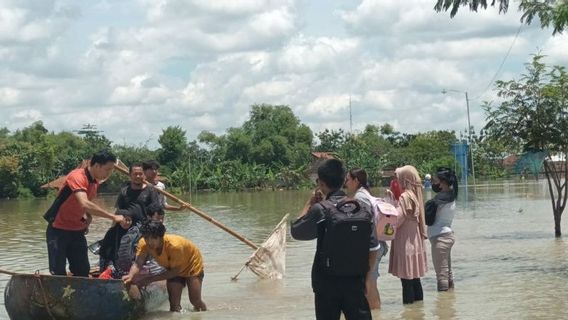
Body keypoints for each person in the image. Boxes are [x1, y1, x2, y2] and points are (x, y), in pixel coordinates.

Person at [291, 159, 379, 320]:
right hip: (355, 281)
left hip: (326, 284)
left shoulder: (320, 209)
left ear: (321, 183)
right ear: (344, 180)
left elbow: (296, 231)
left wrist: (308, 204)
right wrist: (367, 280)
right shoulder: (363, 208)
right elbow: (374, 248)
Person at [44, 149, 125, 277]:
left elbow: (85, 206)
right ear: (97, 165)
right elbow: (84, 203)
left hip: (77, 230)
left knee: (82, 271)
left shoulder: (95, 183)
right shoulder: (77, 176)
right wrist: (113, 216)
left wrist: (89, 217)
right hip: (58, 229)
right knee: (57, 271)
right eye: (108, 169)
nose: (109, 174)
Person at [123, 220, 207, 312]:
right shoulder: (144, 243)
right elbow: (138, 263)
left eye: (154, 238)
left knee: (195, 301)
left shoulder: (175, 246)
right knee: (174, 306)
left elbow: (175, 272)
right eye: (147, 238)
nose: (150, 242)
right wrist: (130, 275)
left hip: (191, 265)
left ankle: (204, 313)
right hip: (172, 267)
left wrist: (149, 279)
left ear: (161, 237)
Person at [99, 162, 162, 272]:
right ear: (130, 175)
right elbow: (118, 210)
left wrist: (155, 230)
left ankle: (138, 269)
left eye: (140, 174)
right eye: (135, 174)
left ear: (144, 175)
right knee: (108, 240)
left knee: (132, 245)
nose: (138, 176)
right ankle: (108, 269)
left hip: (143, 226)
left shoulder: (151, 190)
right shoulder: (124, 191)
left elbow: (157, 212)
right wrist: (117, 224)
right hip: (124, 223)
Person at [344, 168, 388, 310]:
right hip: (377, 243)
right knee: (371, 282)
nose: (346, 182)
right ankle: (376, 313)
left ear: (356, 180)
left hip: (370, 246)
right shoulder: (365, 194)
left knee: (369, 284)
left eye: (348, 179)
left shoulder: (360, 197)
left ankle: (374, 313)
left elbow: (362, 223)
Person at [388, 165, 428, 304]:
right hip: (415, 243)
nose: (396, 181)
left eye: (398, 178)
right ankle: (418, 313)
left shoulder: (405, 197)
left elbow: (397, 220)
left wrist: (390, 206)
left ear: (404, 179)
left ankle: (409, 313)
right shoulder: (415, 194)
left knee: (406, 283)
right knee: (415, 280)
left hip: (405, 245)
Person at [425, 167, 458, 291]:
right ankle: (450, 302)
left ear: (442, 182)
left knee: (441, 275)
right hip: (447, 236)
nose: (434, 183)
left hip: (440, 238)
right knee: (447, 273)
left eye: (435, 180)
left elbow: (428, 217)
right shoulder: (451, 196)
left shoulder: (441, 199)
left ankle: (443, 306)